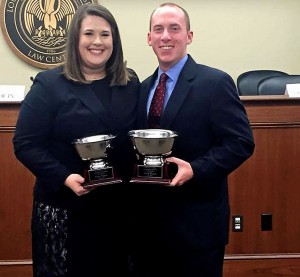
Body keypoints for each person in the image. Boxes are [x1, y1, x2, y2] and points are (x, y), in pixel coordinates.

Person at [13, 3, 139, 277]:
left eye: (105, 34)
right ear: (75, 39)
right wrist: (64, 177)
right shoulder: (49, 84)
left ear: (114, 40)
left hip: (118, 209)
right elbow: (25, 143)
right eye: (89, 34)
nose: (98, 42)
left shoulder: (130, 83)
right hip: (67, 207)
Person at [132, 3, 255, 277]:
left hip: (197, 227)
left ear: (189, 35)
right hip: (149, 227)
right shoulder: (142, 89)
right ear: (149, 38)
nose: (166, 36)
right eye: (158, 29)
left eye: (174, 28)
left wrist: (196, 169)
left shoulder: (215, 83)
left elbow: (241, 142)